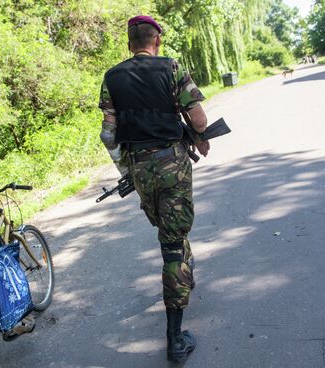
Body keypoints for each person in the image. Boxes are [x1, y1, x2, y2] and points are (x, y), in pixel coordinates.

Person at [98, 15, 209, 363]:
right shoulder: (172, 68)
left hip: (140, 169)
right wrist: (200, 136)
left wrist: (124, 166)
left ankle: (183, 272)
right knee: (172, 246)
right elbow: (200, 119)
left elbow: (107, 133)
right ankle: (175, 339)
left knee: (167, 230)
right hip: (172, 164)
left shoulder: (112, 77)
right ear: (156, 41)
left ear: (130, 45)